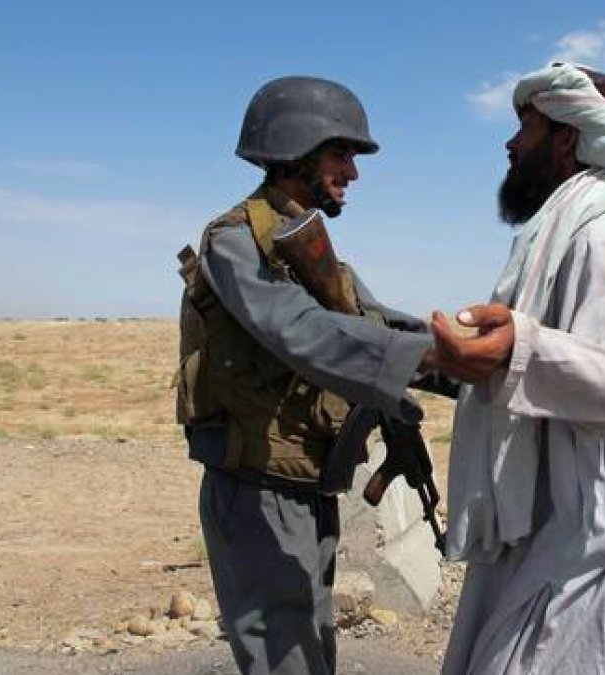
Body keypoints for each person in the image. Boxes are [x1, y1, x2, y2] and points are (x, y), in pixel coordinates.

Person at [175, 76, 443, 675]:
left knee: (309, 650)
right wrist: (435, 358)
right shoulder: (236, 241)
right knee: (285, 660)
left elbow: (376, 324)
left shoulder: (309, 248)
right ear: (297, 149)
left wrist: (477, 361)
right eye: (341, 153)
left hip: (302, 483)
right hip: (256, 486)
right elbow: (303, 333)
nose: (353, 172)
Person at [427, 62, 605, 675]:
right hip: (555, 531)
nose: (510, 145)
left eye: (527, 127)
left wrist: (521, 349)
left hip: (594, 542)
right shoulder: (557, 240)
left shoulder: (599, 242)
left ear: (567, 138)